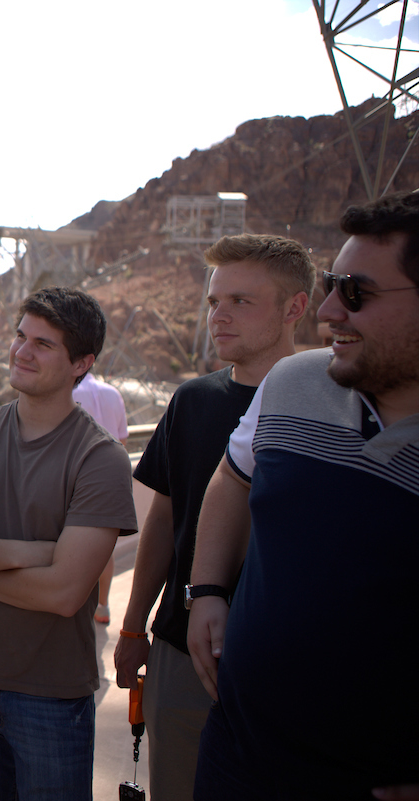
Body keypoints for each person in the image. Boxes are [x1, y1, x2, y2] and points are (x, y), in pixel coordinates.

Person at [187, 192, 419, 800]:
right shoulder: (292, 382)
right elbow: (231, 481)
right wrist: (207, 590)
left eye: (358, 293)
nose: (329, 310)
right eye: (332, 285)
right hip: (237, 755)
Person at [112, 234, 313, 800]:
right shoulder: (192, 401)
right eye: (213, 302)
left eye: (240, 302)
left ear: (294, 308)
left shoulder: (332, 407)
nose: (218, 316)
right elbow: (164, 524)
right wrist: (133, 627)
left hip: (288, 663)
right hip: (180, 652)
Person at [0, 287, 139, 800]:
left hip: (50, 696)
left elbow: (64, 594)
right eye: (20, 336)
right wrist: (30, 553)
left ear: (82, 364)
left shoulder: (99, 458)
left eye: (43, 345)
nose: (21, 352)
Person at [71, 369, 128, 624]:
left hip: (77, 480)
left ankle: (74, 605)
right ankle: (102, 606)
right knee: (105, 548)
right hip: (110, 479)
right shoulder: (113, 393)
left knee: (70, 547)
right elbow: (123, 439)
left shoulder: (68, 393)